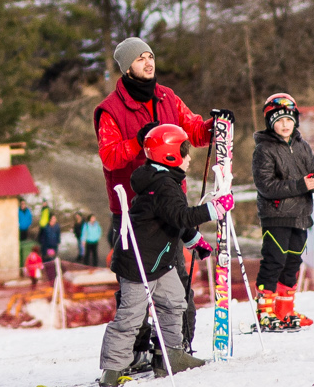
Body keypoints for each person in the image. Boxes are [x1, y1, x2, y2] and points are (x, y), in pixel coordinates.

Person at [98, 125, 223, 387]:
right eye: (184, 152)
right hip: (138, 265)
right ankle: (112, 369)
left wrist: (193, 239)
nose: (189, 158)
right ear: (169, 155)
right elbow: (181, 215)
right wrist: (214, 209)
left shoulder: (161, 180)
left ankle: (171, 354)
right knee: (130, 318)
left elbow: (173, 219)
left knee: (175, 302)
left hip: (160, 261)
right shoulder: (164, 185)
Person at [94, 38, 225, 247]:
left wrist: (216, 126)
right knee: (137, 275)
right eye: (140, 59)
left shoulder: (167, 97)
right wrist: (138, 142)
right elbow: (109, 158)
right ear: (127, 68)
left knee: (175, 274)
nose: (148, 63)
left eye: (150, 57)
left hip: (170, 204)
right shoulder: (111, 110)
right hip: (133, 209)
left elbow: (195, 132)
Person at [250, 91, 314, 332]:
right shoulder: (264, 149)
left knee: (293, 262)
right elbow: (266, 186)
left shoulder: (302, 146)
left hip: (301, 216)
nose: (285, 125)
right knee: (275, 260)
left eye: (289, 119)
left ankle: (285, 310)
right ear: (271, 123)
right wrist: (300, 186)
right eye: (279, 120)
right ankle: (265, 311)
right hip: (277, 215)